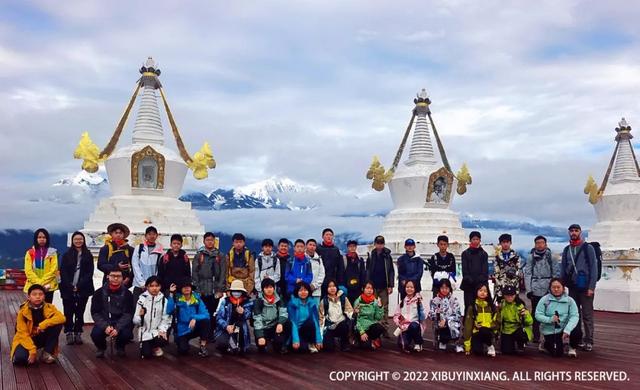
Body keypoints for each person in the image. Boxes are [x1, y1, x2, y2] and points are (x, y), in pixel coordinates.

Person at [560, 224, 597, 352]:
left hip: (586, 286)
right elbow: (563, 268)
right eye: (571, 231)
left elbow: (594, 268)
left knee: (587, 314)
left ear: (580, 232)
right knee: (574, 314)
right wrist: (561, 285)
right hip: (572, 287)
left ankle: (589, 340)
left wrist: (591, 286)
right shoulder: (566, 250)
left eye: (576, 230)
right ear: (569, 233)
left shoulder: (588, 248)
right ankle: (577, 339)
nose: (574, 233)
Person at [11, 284, 65, 365]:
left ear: (44, 296)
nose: (38, 297)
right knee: (20, 359)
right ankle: (29, 350)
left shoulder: (49, 307)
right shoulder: (23, 312)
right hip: (27, 338)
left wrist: (42, 325)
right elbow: (22, 333)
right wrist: (32, 350)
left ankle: (46, 352)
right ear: (29, 297)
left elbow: (62, 318)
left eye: (40, 294)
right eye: (34, 294)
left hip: (41, 335)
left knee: (58, 324)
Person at [524, 235, 560, 351]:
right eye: (537, 243)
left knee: (549, 312)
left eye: (541, 243)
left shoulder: (551, 257)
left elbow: (556, 273)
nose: (539, 245)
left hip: (547, 286)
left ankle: (548, 334)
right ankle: (536, 336)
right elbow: (527, 273)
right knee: (535, 312)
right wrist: (528, 289)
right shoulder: (530, 257)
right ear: (535, 244)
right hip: (535, 286)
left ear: (546, 244)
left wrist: (554, 289)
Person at [59, 231, 95, 345]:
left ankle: (78, 332)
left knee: (80, 311)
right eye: (76, 239)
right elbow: (63, 271)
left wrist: (78, 286)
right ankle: (69, 332)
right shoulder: (66, 255)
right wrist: (70, 285)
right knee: (68, 311)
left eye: (80, 239)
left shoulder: (88, 255)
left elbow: (89, 272)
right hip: (67, 287)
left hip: (83, 288)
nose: (78, 241)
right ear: (72, 241)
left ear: (83, 240)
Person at [91, 268, 134, 358]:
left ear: (122, 278)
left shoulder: (128, 294)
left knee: (127, 334)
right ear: (107, 276)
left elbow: (128, 313)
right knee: (96, 334)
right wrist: (105, 326)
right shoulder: (98, 293)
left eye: (118, 276)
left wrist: (118, 328)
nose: (115, 279)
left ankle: (120, 346)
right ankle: (101, 347)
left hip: (119, 321)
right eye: (113, 276)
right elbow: (95, 312)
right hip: (105, 321)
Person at [535, 278, 580, 357]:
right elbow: (538, 315)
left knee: (577, 331)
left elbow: (575, 316)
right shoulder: (544, 299)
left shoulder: (570, 300)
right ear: (550, 288)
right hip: (550, 329)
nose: (556, 289)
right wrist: (550, 319)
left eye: (558, 287)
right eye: (553, 287)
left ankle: (572, 348)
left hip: (564, 328)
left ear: (563, 288)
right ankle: (545, 343)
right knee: (557, 354)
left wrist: (567, 330)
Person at [193, 232, 225, 340]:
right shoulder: (199, 255)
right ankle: (203, 333)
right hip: (202, 288)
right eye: (207, 240)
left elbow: (223, 273)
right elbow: (195, 273)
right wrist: (196, 288)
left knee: (213, 312)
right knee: (202, 311)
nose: (210, 242)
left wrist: (220, 289)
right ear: (204, 241)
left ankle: (210, 333)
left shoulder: (220, 255)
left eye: (211, 240)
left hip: (215, 288)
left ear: (214, 241)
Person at [168, 279, 210, 357]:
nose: (187, 288)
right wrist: (171, 294)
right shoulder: (176, 299)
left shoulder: (197, 299)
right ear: (180, 289)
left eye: (188, 286)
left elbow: (206, 315)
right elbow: (168, 311)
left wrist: (194, 318)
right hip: (182, 329)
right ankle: (180, 341)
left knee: (205, 322)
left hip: (194, 326)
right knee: (183, 350)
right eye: (184, 287)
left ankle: (203, 346)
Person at [133, 276, 171, 358]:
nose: (154, 288)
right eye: (152, 286)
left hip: (157, 331)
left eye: (157, 286)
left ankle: (155, 346)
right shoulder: (141, 300)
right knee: (146, 354)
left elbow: (166, 318)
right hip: (145, 332)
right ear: (147, 287)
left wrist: (162, 330)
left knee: (163, 340)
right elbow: (136, 321)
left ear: (160, 286)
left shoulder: (164, 300)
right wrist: (140, 316)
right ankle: (148, 346)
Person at [366, 235, 394, 337]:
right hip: (373, 285)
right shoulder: (371, 255)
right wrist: (367, 284)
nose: (379, 245)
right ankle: (373, 327)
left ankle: (384, 328)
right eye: (378, 243)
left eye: (381, 243)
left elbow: (391, 271)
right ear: (375, 244)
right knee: (372, 307)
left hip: (384, 285)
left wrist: (390, 285)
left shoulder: (387, 255)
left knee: (384, 308)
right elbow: (368, 270)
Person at [215, 279, 254, 355]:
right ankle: (231, 345)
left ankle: (238, 345)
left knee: (240, 327)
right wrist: (226, 326)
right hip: (226, 328)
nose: (236, 293)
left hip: (239, 328)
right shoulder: (225, 301)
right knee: (221, 343)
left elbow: (249, 315)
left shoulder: (247, 302)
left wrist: (243, 312)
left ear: (242, 292)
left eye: (238, 291)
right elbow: (218, 318)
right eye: (234, 291)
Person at [253, 278, 289, 354]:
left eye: (271, 287)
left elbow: (284, 313)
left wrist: (280, 323)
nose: (269, 290)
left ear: (274, 288)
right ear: (262, 289)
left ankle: (282, 343)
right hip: (263, 327)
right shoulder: (258, 302)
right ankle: (264, 341)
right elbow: (257, 320)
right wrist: (260, 336)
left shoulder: (279, 299)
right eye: (266, 288)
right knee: (262, 348)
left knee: (288, 323)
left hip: (275, 326)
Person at [428, 278, 464, 353]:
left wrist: (446, 320)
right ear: (439, 289)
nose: (444, 290)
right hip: (440, 322)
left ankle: (456, 343)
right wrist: (438, 316)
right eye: (442, 288)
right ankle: (442, 341)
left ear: (450, 289)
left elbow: (458, 314)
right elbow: (431, 314)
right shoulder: (434, 300)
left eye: (446, 288)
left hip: (452, 321)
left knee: (452, 324)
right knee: (440, 325)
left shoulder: (454, 300)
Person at [24, 228, 59, 303]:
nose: (42, 239)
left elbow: (53, 270)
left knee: (47, 310)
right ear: (36, 239)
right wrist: (38, 283)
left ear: (47, 239)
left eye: (44, 237)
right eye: (39, 237)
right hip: (32, 286)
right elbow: (28, 271)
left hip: (48, 287)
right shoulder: (30, 253)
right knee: (33, 309)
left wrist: (41, 283)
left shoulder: (52, 253)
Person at [131, 226, 164, 304]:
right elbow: (135, 265)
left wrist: (152, 283)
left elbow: (158, 269)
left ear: (157, 236)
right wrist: (142, 283)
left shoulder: (160, 251)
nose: (152, 236)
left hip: (153, 286)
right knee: (137, 308)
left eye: (154, 234)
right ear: (145, 236)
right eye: (149, 234)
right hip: (139, 285)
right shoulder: (138, 248)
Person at [319, 278, 354, 352]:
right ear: (326, 288)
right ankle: (333, 341)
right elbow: (321, 318)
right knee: (328, 349)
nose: (332, 288)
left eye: (334, 286)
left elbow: (350, 311)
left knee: (345, 325)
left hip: (341, 324)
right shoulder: (324, 301)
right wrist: (320, 336)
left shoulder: (343, 298)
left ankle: (344, 343)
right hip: (329, 327)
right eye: (329, 286)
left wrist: (354, 315)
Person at [463, 283, 497, 357]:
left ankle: (490, 345)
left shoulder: (492, 307)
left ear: (488, 293)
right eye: (480, 290)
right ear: (476, 292)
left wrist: (486, 325)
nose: (482, 292)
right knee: (477, 352)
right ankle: (480, 344)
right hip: (477, 332)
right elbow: (467, 326)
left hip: (489, 331)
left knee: (484, 330)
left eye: (485, 291)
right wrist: (467, 346)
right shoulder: (472, 307)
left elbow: (496, 322)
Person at [287, 281, 323, 353]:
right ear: (297, 291)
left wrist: (318, 340)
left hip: (306, 329)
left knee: (311, 322)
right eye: (300, 290)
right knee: (301, 350)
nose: (303, 292)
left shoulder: (312, 303)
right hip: (296, 330)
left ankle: (311, 342)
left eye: (305, 290)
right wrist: (296, 340)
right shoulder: (292, 303)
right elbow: (293, 322)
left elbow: (316, 322)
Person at [393, 280, 426, 353]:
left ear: (415, 289)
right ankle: (408, 340)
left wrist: (420, 307)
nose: (409, 289)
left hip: (415, 325)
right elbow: (396, 316)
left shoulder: (418, 301)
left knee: (414, 326)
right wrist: (399, 324)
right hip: (404, 327)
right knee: (401, 344)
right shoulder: (402, 302)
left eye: (412, 287)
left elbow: (422, 318)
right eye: (407, 287)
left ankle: (418, 342)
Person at [498, 285, 533, 355]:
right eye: (507, 295)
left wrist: (525, 315)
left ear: (515, 295)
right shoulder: (501, 305)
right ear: (504, 295)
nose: (510, 297)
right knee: (507, 352)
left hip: (517, 329)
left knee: (521, 335)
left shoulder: (520, 305)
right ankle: (508, 342)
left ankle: (521, 343)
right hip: (506, 330)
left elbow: (530, 322)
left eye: (512, 295)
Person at [97, 223, 134, 289]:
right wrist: (116, 266)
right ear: (111, 234)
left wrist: (128, 278)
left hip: (125, 281)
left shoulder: (130, 249)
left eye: (120, 233)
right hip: (109, 281)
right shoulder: (105, 249)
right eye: (116, 233)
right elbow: (100, 265)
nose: (118, 235)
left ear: (124, 235)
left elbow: (135, 267)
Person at [461, 231, 489, 313]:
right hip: (468, 285)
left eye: (477, 239)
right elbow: (464, 270)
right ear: (470, 240)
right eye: (473, 239)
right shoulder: (465, 254)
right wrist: (470, 280)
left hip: (480, 286)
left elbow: (485, 270)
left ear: (480, 240)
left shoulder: (484, 254)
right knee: (469, 306)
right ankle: (467, 324)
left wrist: (479, 281)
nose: (475, 241)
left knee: (481, 306)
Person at [353, 281, 385, 350]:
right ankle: (359, 339)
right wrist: (362, 332)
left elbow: (378, 318)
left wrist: (380, 307)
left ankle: (372, 339)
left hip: (371, 326)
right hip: (361, 328)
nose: (369, 290)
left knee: (380, 328)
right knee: (366, 347)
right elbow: (356, 320)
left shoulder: (375, 301)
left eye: (371, 288)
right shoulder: (358, 301)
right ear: (363, 289)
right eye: (367, 288)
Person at [492, 233, 521, 302]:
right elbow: (496, 272)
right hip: (500, 287)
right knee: (501, 306)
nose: (505, 244)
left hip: (513, 286)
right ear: (500, 243)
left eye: (507, 242)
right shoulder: (497, 257)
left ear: (510, 243)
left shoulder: (516, 256)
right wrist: (500, 283)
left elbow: (518, 270)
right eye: (503, 242)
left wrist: (513, 281)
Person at [316, 228, 345, 293]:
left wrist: (340, 280)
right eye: (327, 235)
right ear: (323, 236)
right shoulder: (318, 249)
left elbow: (340, 266)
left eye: (330, 235)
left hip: (333, 280)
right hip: (321, 280)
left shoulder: (336, 249)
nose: (329, 236)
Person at [344, 240, 366, 305]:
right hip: (347, 288)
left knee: (357, 307)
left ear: (356, 247)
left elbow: (363, 274)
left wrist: (363, 286)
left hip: (358, 288)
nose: (352, 248)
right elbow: (341, 273)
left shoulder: (360, 260)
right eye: (350, 246)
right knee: (348, 308)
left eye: (354, 246)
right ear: (348, 247)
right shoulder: (343, 259)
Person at [306, 239, 325, 303]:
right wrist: (305, 286)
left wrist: (315, 285)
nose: (312, 247)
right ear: (306, 246)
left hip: (316, 292)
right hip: (303, 291)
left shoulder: (319, 259)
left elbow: (322, 274)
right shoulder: (302, 258)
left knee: (315, 311)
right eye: (310, 245)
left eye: (314, 245)